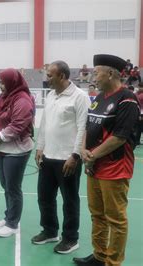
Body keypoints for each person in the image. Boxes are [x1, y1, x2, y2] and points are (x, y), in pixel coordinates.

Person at [73, 54, 140, 266]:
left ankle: (113, 262)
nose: (94, 76)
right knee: (97, 215)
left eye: (96, 72)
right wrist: (84, 151)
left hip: (115, 168)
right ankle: (100, 256)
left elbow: (120, 137)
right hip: (94, 166)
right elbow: (88, 126)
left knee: (116, 220)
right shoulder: (100, 98)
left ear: (110, 73)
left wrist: (91, 155)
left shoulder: (127, 99)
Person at [33, 61, 90, 253]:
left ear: (63, 76)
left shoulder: (80, 97)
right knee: (44, 197)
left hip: (68, 158)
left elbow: (83, 128)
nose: (47, 78)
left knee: (70, 200)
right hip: (48, 156)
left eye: (50, 75)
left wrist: (75, 155)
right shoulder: (50, 95)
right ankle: (50, 231)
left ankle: (71, 238)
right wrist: (40, 147)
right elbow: (45, 123)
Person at [0, 68, 34, 237]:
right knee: (5, 185)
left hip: (17, 150)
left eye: (2, 82)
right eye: (0, 82)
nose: (0, 86)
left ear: (12, 82)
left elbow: (17, 126)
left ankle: (13, 224)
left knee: (13, 188)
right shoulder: (4, 97)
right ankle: (8, 217)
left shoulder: (22, 100)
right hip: (2, 148)